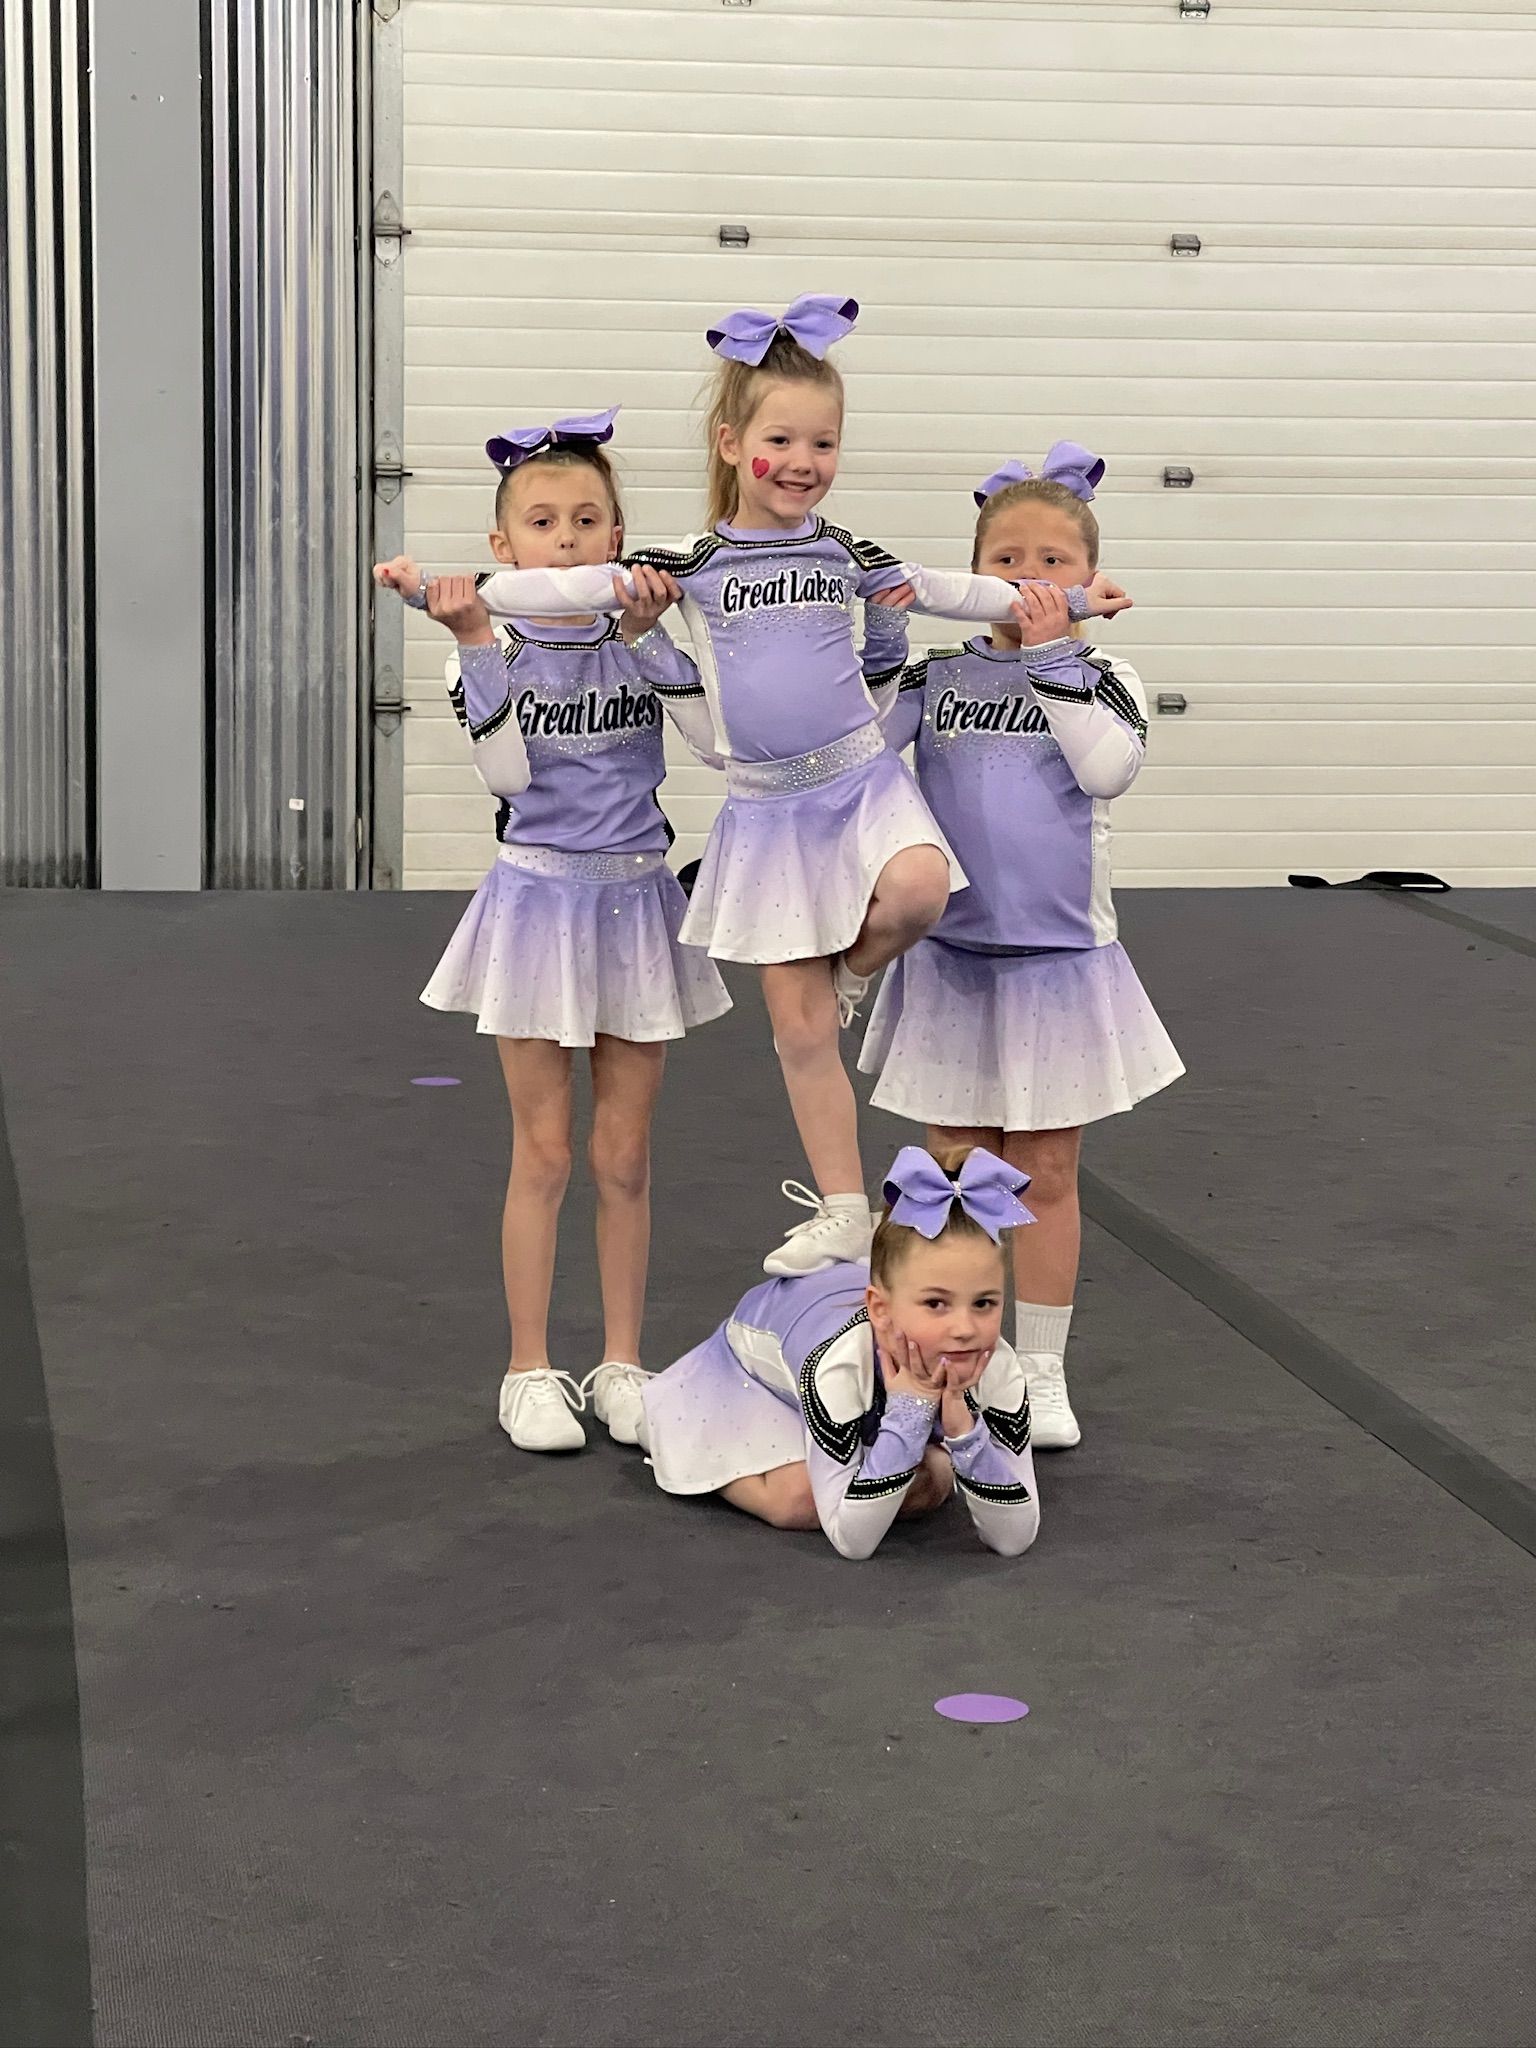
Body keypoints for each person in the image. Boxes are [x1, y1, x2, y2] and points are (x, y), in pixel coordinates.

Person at [415, 300, 1130, 1279]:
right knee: (797, 1033)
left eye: (823, 442)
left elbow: (965, 593)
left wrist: (1074, 602)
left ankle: (854, 967)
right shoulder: (693, 565)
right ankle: (843, 1204)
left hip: (857, 779)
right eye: (781, 439)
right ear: (731, 442)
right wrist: (449, 595)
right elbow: (569, 593)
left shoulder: (849, 555)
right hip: (766, 807)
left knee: (922, 886)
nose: (803, 459)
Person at [373, 410, 730, 1454]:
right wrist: (478, 645)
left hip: (634, 903)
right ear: (504, 548)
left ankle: (623, 1360)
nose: (566, 538)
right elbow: (510, 779)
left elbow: (713, 748)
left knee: (626, 1153)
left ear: (616, 537)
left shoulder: (637, 637)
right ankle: (528, 1365)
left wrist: (656, 634)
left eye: (587, 519)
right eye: (543, 521)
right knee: (545, 1150)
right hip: (535, 904)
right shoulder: (483, 643)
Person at [860, 444, 1184, 1449]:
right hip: (954, 958)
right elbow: (859, 743)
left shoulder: (1103, 673)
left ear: (1086, 575)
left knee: (1043, 1170)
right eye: (1007, 557)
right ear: (973, 573)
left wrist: (1053, 660)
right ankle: (961, 1355)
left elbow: (1107, 772)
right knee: (954, 1168)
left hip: (1058, 962)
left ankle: (1038, 1367)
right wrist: (879, 627)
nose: (1029, 577)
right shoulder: (939, 671)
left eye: (1052, 559)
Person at [634, 1145, 1041, 1561]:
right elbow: (853, 1541)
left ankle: (872, 1442)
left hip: (857, 1317)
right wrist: (910, 1412)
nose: (964, 1329)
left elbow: (1014, 1538)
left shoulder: (998, 1366)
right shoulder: (837, 1364)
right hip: (754, 1371)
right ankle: (667, 1424)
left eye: (985, 1303)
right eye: (936, 1304)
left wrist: (963, 1432)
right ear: (879, 1309)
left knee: (932, 1483)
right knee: (797, 1501)